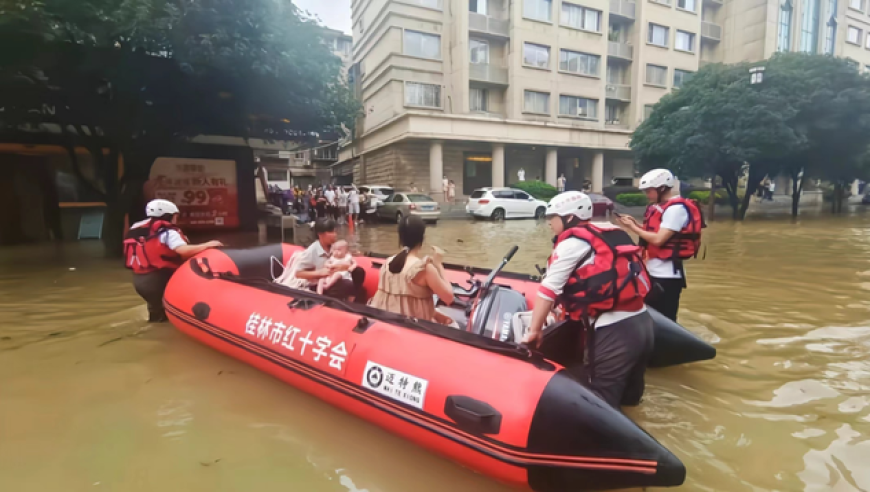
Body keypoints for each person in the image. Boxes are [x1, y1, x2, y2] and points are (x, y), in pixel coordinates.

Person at [522, 191, 654, 408]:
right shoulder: (615, 232)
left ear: (569, 218)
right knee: (631, 401)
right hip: (643, 324)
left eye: (552, 218)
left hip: (614, 331)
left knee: (601, 404)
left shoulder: (572, 243)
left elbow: (548, 289)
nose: (549, 224)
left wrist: (535, 331)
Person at [616, 169, 704, 322]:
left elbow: (658, 240)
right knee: (649, 318)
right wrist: (635, 224)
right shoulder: (662, 207)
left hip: (667, 277)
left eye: (649, 191)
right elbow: (654, 234)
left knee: (665, 320)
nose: (647, 195)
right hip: (653, 272)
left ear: (662, 189)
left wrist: (632, 228)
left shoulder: (676, 209)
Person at [124, 199, 224, 322]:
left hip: (139, 281)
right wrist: (207, 245)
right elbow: (183, 250)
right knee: (173, 311)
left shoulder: (135, 227)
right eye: (175, 216)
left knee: (156, 313)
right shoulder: (168, 232)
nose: (177, 219)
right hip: (159, 279)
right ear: (168, 216)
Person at [369, 215, 455, 325]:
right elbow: (449, 298)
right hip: (414, 329)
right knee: (453, 324)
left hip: (387, 323)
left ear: (400, 238)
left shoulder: (387, 263)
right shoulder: (424, 268)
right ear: (422, 239)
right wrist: (439, 265)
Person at [295, 218, 368, 303]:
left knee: (359, 272)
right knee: (348, 285)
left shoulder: (334, 246)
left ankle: (352, 298)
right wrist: (320, 273)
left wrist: (346, 265)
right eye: (331, 232)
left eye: (335, 231)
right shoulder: (312, 251)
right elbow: (298, 273)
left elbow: (346, 256)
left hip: (336, 277)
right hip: (321, 283)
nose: (335, 235)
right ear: (320, 234)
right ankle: (332, 303)